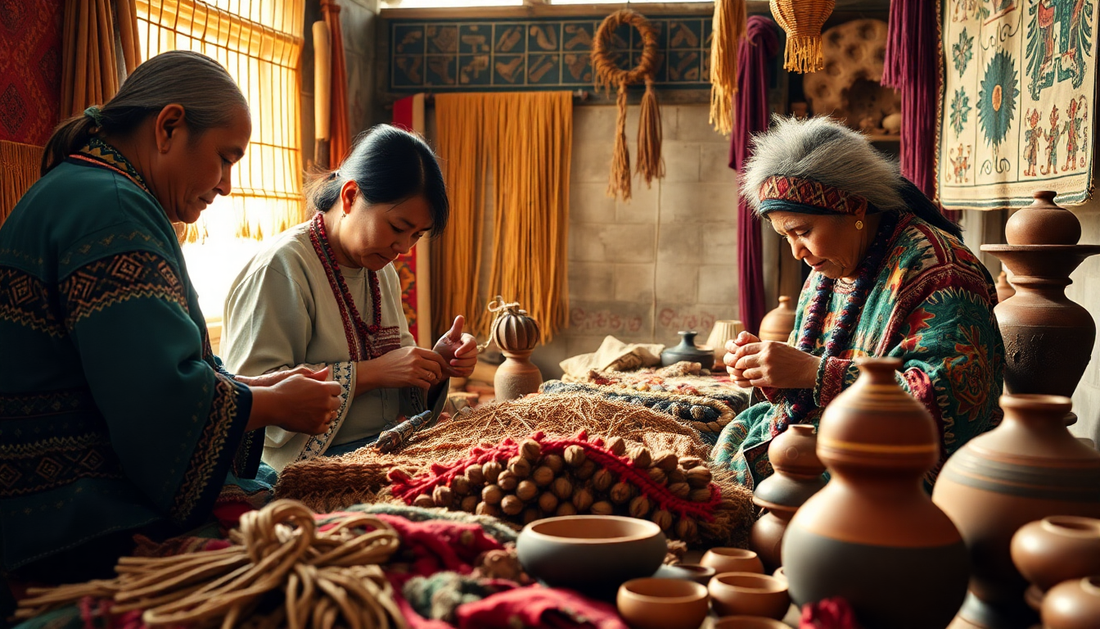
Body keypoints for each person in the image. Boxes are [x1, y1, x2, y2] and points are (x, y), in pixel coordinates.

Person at [0, 51, 343, 588]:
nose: (228, 184)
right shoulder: (112, 210)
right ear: (168, 127)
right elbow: (155, 402)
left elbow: (130, 374)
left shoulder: (89, 192)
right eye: (225, 158)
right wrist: (269, 403)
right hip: (71, 522)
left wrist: (250, 389)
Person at [712, 116, 1004, 489]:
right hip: (822, 431)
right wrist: (766, 369)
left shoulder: (942, 269)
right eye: (785, 236)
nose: (796, 251)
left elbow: (953, 402)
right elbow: (812, 362)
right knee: (732, 443)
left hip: (894, 461)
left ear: (854, 209)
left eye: (802, 232)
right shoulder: (830, 268)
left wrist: (813, 372)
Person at [221, 125, 478, 472]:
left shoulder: (381, 270)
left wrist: (435, 365)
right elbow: (249, 397)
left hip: (384, 449)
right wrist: (373, 373)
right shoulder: (281, 267)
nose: (403, 248)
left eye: (416, 235)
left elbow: (400, 380)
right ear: (350, 197)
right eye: (397, 228)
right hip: (306, 470)